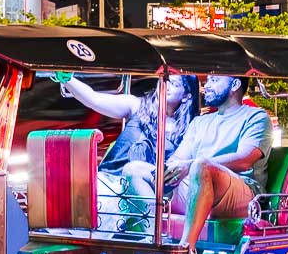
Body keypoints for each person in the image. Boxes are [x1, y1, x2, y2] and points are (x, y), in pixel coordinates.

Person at [129, 75, 272, 254]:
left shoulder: (256, 117)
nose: (207, 86)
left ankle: (187, 251)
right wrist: (166, 172)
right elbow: (180, 159)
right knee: (133, 169)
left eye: (214, 80)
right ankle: (154, 236)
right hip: (198, 185)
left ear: (235, 84)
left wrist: (192, 165)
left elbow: (244, 159)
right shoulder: (200, 122)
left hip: (242, 194)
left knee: (201, 164)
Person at [53, 73, 197, 229]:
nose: (166, 85)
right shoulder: (136, 105)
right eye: (164, 80)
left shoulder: (187, 130)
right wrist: (67, 79)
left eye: (174, 84)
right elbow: (93, 99)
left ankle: (150, 233)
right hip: (110, 177)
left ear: (186, 96)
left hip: (144, 186)